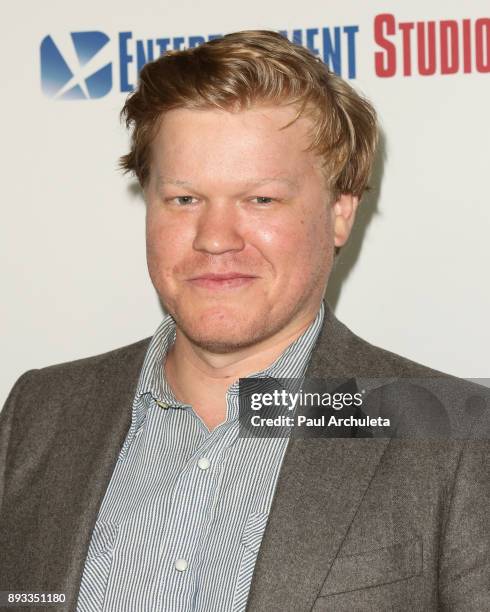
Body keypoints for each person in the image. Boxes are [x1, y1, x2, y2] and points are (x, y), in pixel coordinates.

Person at [0, 30, 488, 612]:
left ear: (340, 213)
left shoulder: (454, 438)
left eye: (260, 200)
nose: (214, 239)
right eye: (184, 199)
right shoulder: (40, 411)